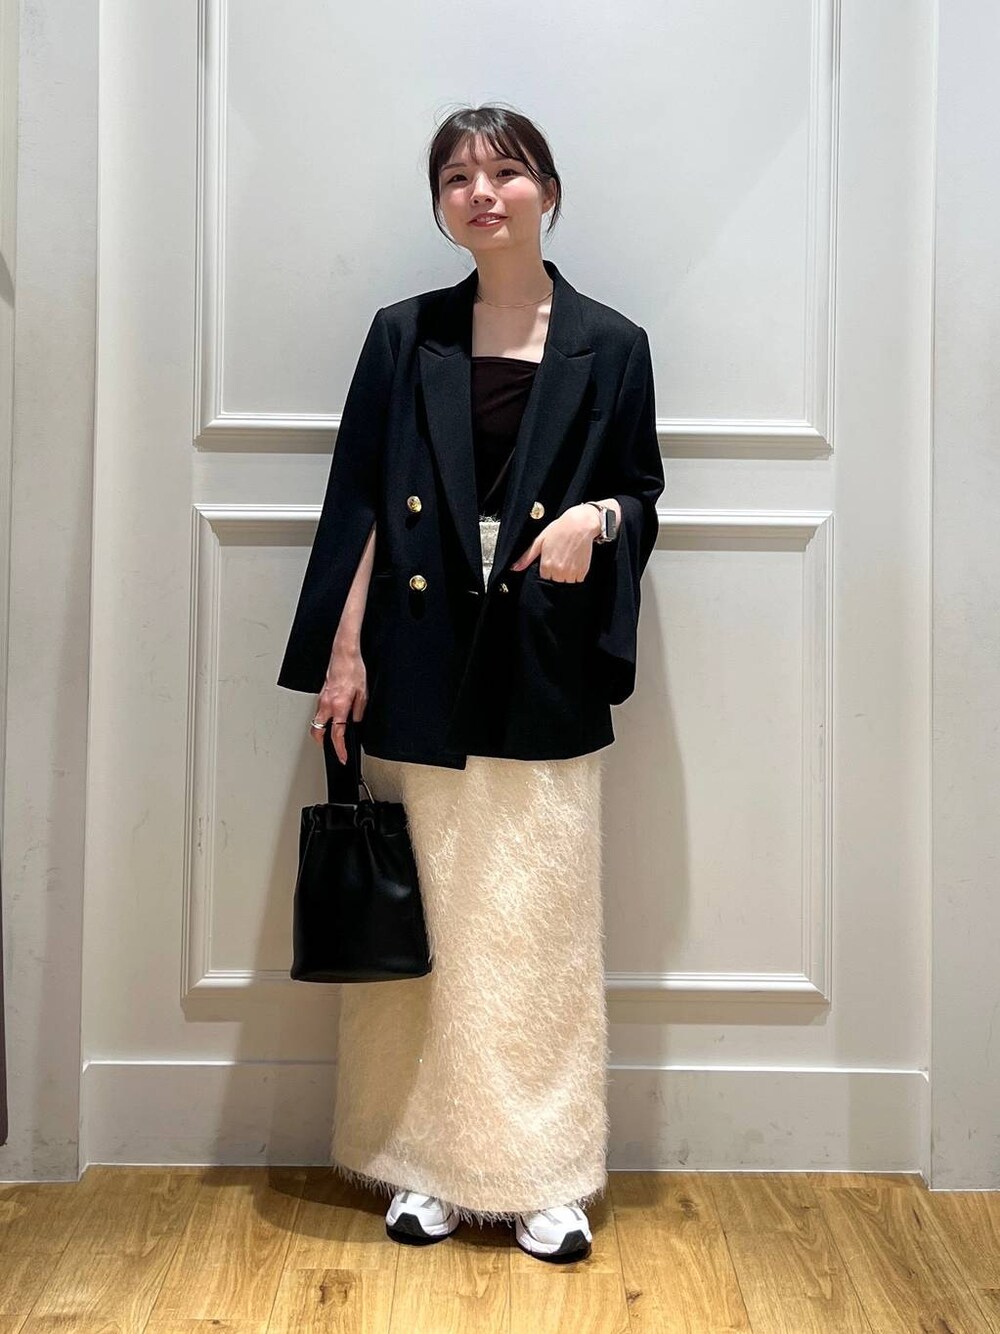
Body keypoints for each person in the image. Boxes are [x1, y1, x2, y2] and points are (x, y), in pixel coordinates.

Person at [277, 104, 664, 1264]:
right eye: (456, 176)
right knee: (426, 929)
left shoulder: (611, 342)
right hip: (418, 656)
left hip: (540, 660)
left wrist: (598, 519)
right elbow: (357, 501)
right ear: (440, 205)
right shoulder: (404, 335)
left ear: (548, 189)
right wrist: (343, 654)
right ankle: (419, 1161)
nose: (481, 192)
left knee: (539, 929)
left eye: (505, 171)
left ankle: (546, 1174)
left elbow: (641, 488)